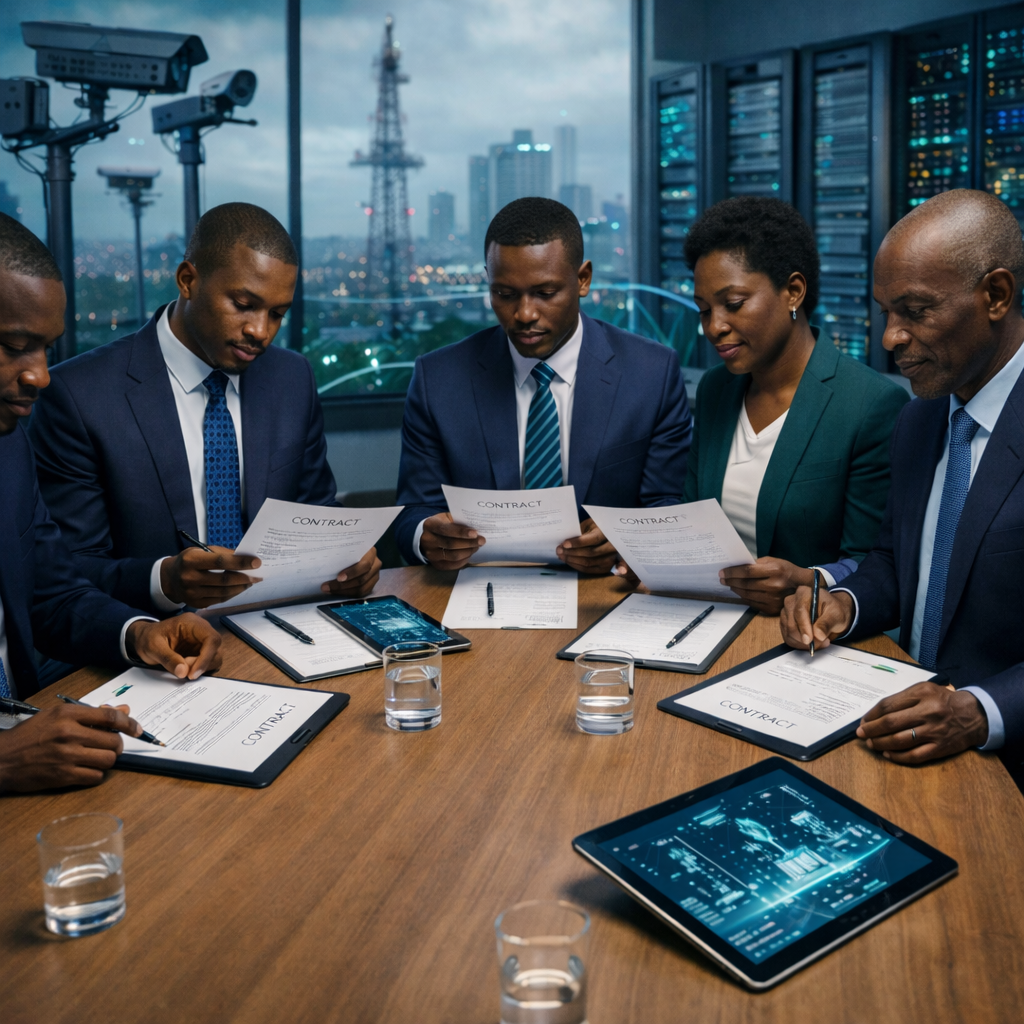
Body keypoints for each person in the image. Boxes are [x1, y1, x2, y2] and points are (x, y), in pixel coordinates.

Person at [29, 203, 381, 616]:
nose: (260, 331)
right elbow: (65, 572)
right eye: (244, 304)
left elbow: (316, 514)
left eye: (277, 314)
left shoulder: (291, 378)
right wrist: (164, 581)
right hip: (152, 648)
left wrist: (349, 560)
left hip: (279, 625)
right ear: (188, 280)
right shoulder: (79, 395)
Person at [780, 188, 1024, 775]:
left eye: (915, 312)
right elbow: (895, 560)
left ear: (995, 295)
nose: (890, 338)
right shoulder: (918, 418)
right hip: (896, 736)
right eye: (886, 312)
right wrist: (845, 603)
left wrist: (980, 710)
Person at [0, 213, 222, 793]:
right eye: (15, 348)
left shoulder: (7, 449)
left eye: (47, 350)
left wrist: (140, 633)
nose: (40, 377)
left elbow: (52, 591)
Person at [395, 197, 692, 571]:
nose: (524, 314)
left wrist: (625, 540)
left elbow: (668, 505)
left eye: (545, 293)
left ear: (583, 280)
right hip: (479, 593)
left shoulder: (651, 373)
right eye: (504, 295)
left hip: (605, 596)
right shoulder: (438, 379)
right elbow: (411, 513)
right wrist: (427, 535)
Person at [684, 197, 909, 613]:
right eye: (703, 310)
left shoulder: (869, 404)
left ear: (793, 291)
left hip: (808, 637)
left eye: (733, 304)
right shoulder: (717, 389)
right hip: (709, 616)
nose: (714, 327)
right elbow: (692, 517)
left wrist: (809, 579)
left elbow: (877, 561)